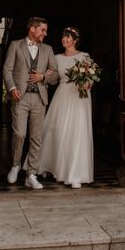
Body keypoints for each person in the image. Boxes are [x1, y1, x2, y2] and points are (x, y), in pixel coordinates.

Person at [3, 17, 59, 189]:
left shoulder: (48, 49)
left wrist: (44, 77)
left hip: (39, 98)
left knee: (36, 137)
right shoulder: (15, 45)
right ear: (33, 29)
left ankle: (31, 174)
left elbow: (55, 74)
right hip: (20, 97)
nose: (46, 33)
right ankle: (15, 165)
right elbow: (7, 70)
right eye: (43, 30)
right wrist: (12, 89)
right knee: (19, 134)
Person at [38, 26, 93, 189]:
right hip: (62, 96)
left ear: (75, 40)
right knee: (57, 130)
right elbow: (51, 76)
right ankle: (50, 166)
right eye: (63, 36)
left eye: (68, 37)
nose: (64, 39)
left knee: (78, 132)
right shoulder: (56, 58)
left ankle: (75, 173)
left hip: (79, 97)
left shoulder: (84, 56)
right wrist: (42, 77)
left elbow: (90, 79)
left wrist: (87, 84)